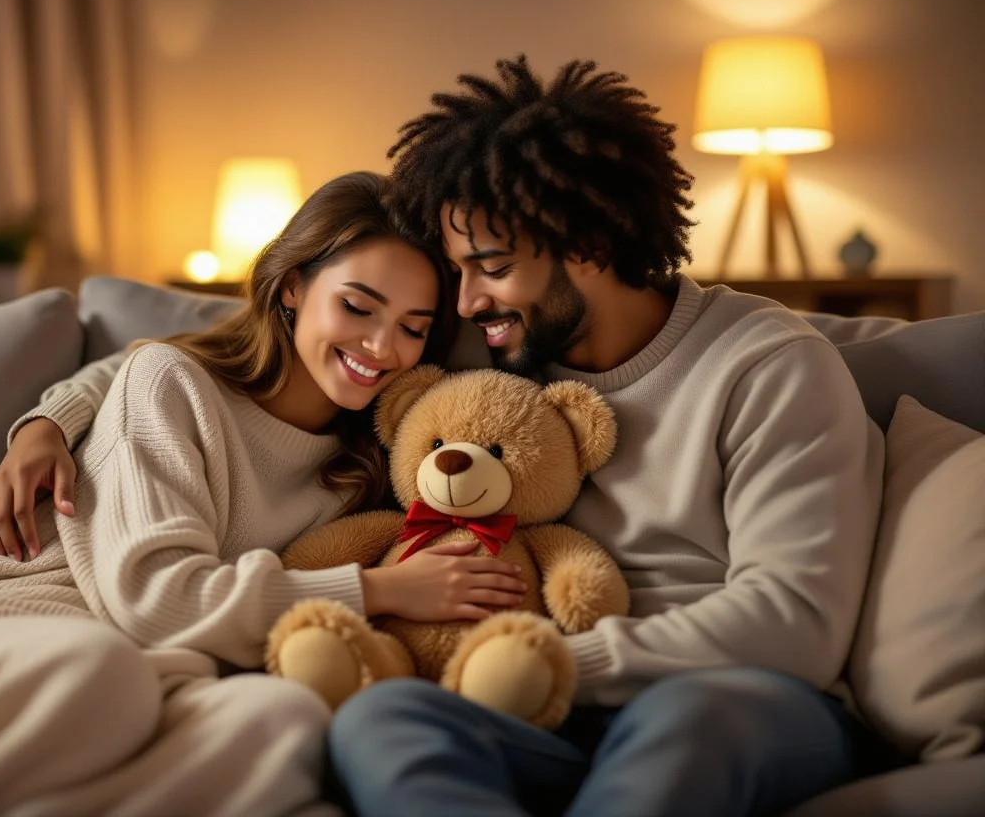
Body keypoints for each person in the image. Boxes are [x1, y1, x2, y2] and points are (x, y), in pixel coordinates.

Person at [0, 171, 532, 817]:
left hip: (159, 665)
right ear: (293, 287)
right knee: (100, 678)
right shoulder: (173, 383)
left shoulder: (371, 465)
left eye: (412, 328)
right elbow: (153, 596)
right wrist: (381, 589)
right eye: (358, 307)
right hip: (12, 617)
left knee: (283, 719)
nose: (379, 348)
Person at [321, 56, 887, 817]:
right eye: (458, 271)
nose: (467, 300)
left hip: (740, 701)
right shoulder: (491, 357)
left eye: (490, 267)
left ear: (585, 243)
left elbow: (797, 623)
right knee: (380, 718)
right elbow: (268, 362)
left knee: (692, 719)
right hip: (538, 707)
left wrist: (555, 663)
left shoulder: (768, 364)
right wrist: (108, 384)